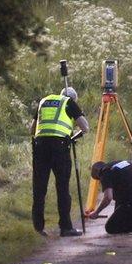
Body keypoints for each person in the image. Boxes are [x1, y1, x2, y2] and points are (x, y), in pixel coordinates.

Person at [29, 87, 90, 237]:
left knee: (39, 188)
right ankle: (66, 227)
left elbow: (32, 129)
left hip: (40, 146)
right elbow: (85, 127)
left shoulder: (44, 101)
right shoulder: (70, 103)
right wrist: (73, 136)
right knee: (62, 187)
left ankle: (38, 228)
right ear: (74, 98)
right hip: (60, 147)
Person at [87, 160, 132, 234]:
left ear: (97, 172)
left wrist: (96, 212)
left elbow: (108, 197)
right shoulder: (119, 164)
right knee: (118, 217)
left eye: (98, 179)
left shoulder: (105, 173)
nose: (100, 181)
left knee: (111, 227)